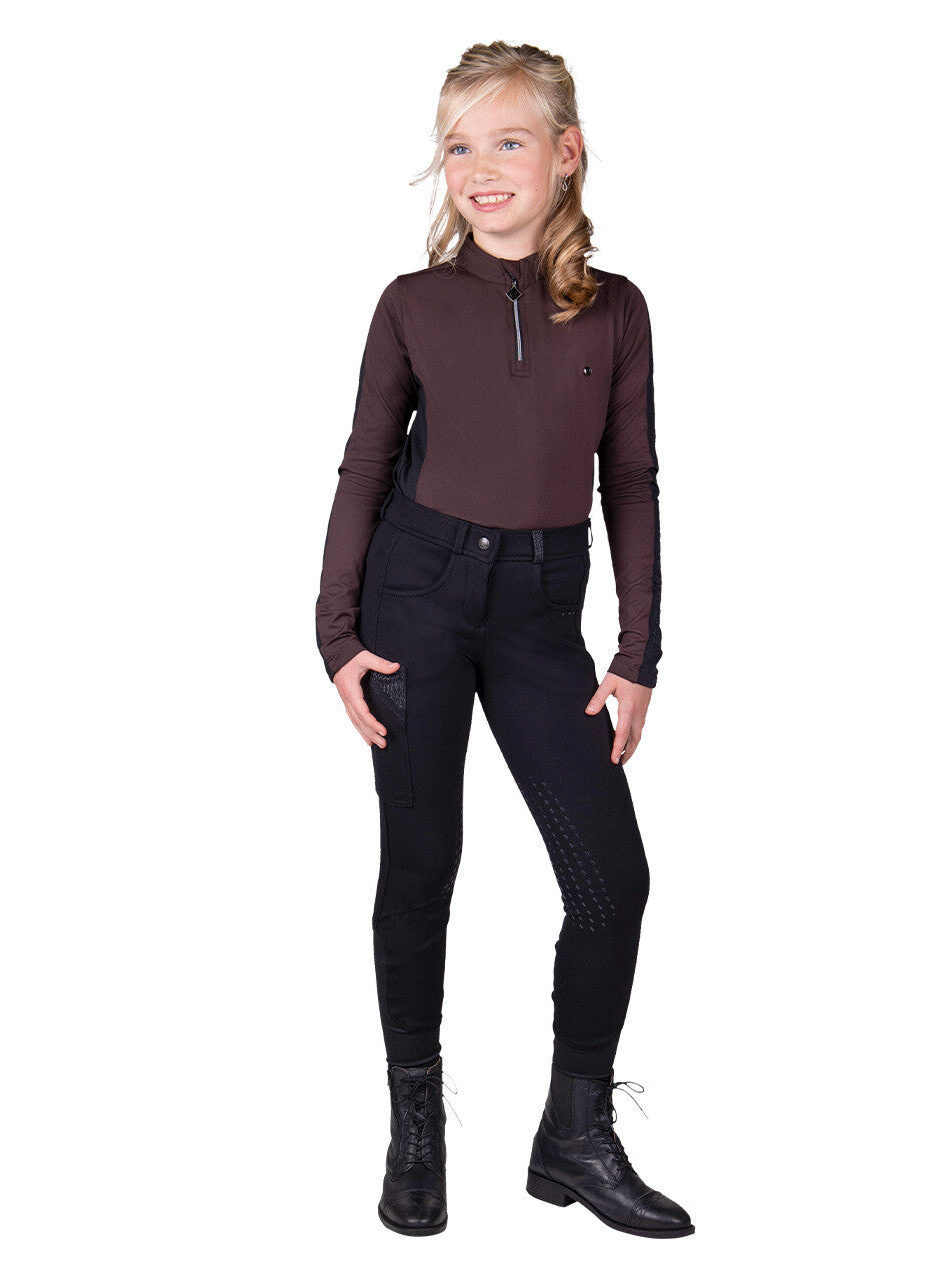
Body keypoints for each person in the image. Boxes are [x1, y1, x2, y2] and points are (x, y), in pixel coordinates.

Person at [315, 41, 694, 1240]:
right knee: (420, 865)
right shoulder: (412, 304)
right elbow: (364, 467)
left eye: (508, 140)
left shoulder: (616, 309)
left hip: (539, 609)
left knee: (612, 878)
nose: (479, 168)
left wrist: (636, 650)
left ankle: (572, 1131)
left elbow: (629, 478)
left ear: (566, 154)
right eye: (458, 145)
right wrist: (336, 634)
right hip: (416, 598)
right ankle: (416, 1122)